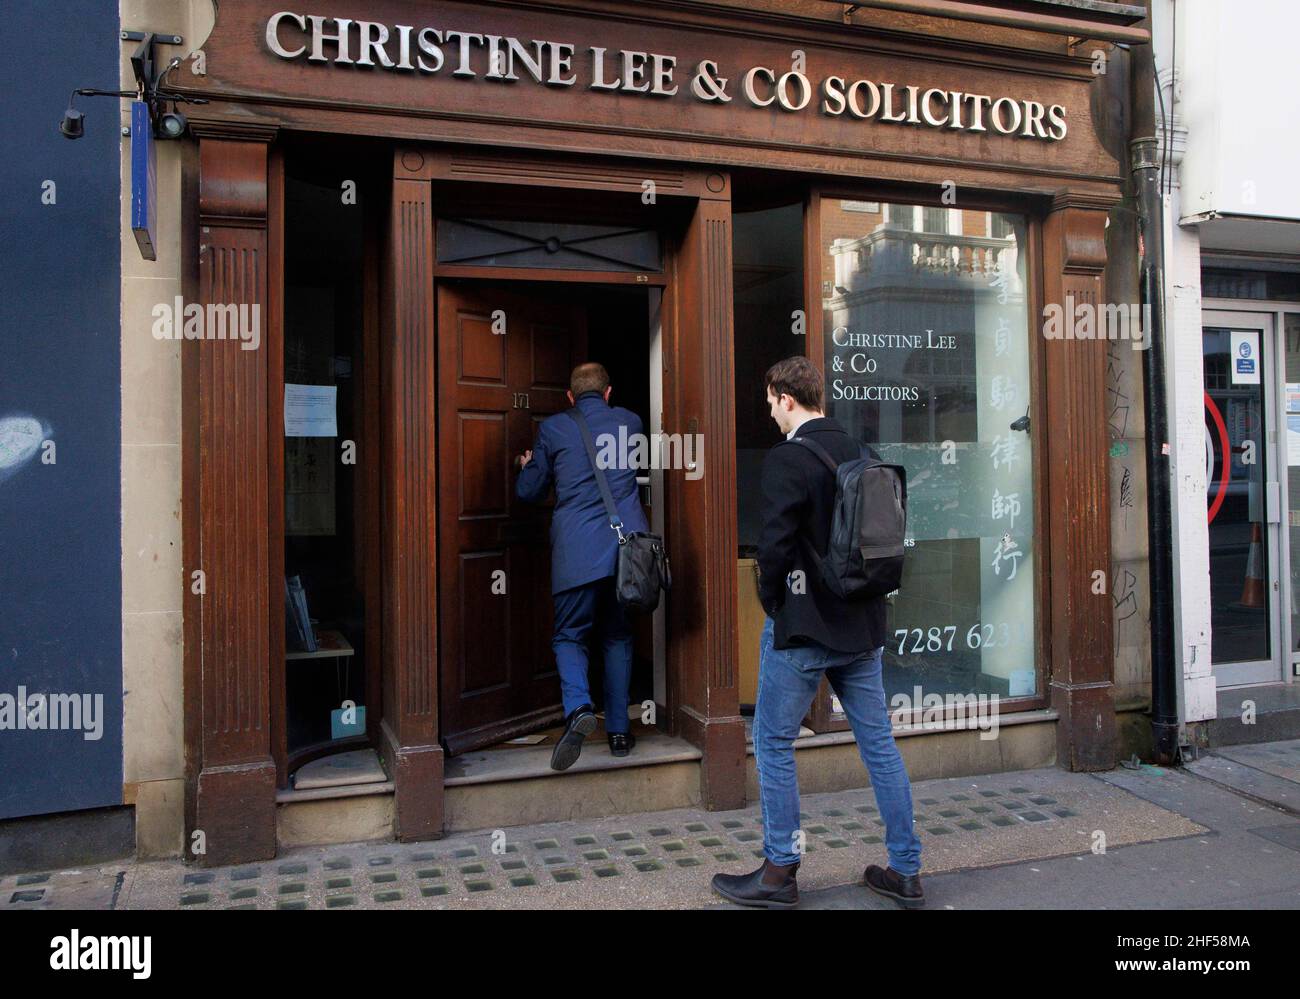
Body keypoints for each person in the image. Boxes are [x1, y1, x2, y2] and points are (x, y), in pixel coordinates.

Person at [710, 355, 925, 909]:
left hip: (805, 627)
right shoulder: (862, 450)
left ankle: (779, 870)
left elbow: (774, 548)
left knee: (773, 740)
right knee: (878, 744)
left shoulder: (788, 459)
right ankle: (905, 870)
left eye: (769, 400)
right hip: (863, 625)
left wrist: (774, 604)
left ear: (785, 397)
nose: (769, 410)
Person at [516, 362, 649, 771]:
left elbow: (529, 492)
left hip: (576, 553)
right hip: (626, 552)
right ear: (609, 393)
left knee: (570, 636)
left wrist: (526, 467)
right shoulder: (629, 421)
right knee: (617, 637)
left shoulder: (554, 429)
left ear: (570, 397)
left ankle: (578, 710)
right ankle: (620, 733)